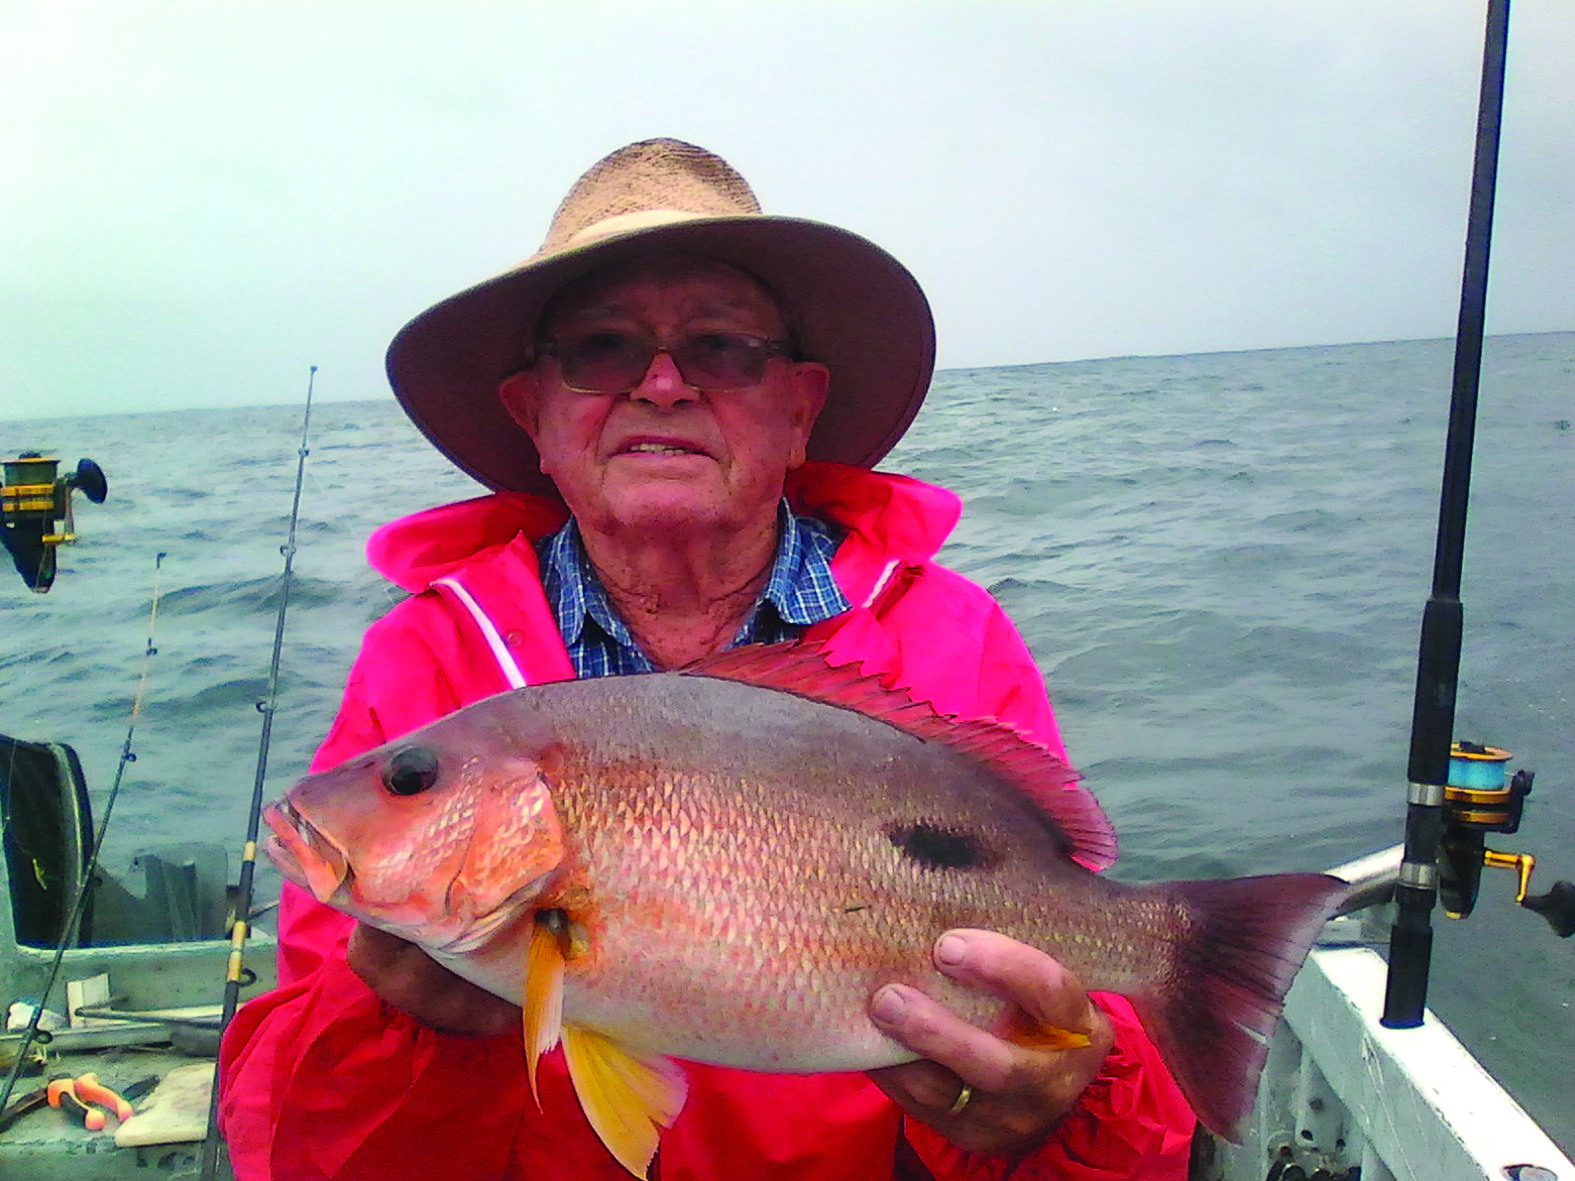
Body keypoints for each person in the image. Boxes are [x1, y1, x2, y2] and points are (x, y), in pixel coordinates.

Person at [219, 138, 1195, 1180]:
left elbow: (1105, 1107)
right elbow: (307, 1146)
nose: (664, 383)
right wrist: (414, 1030)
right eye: (601, 348)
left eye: (724, 348)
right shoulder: (424, 659)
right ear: (533, 416)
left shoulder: (951, 641)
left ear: (800, 408)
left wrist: (1057, 1102)